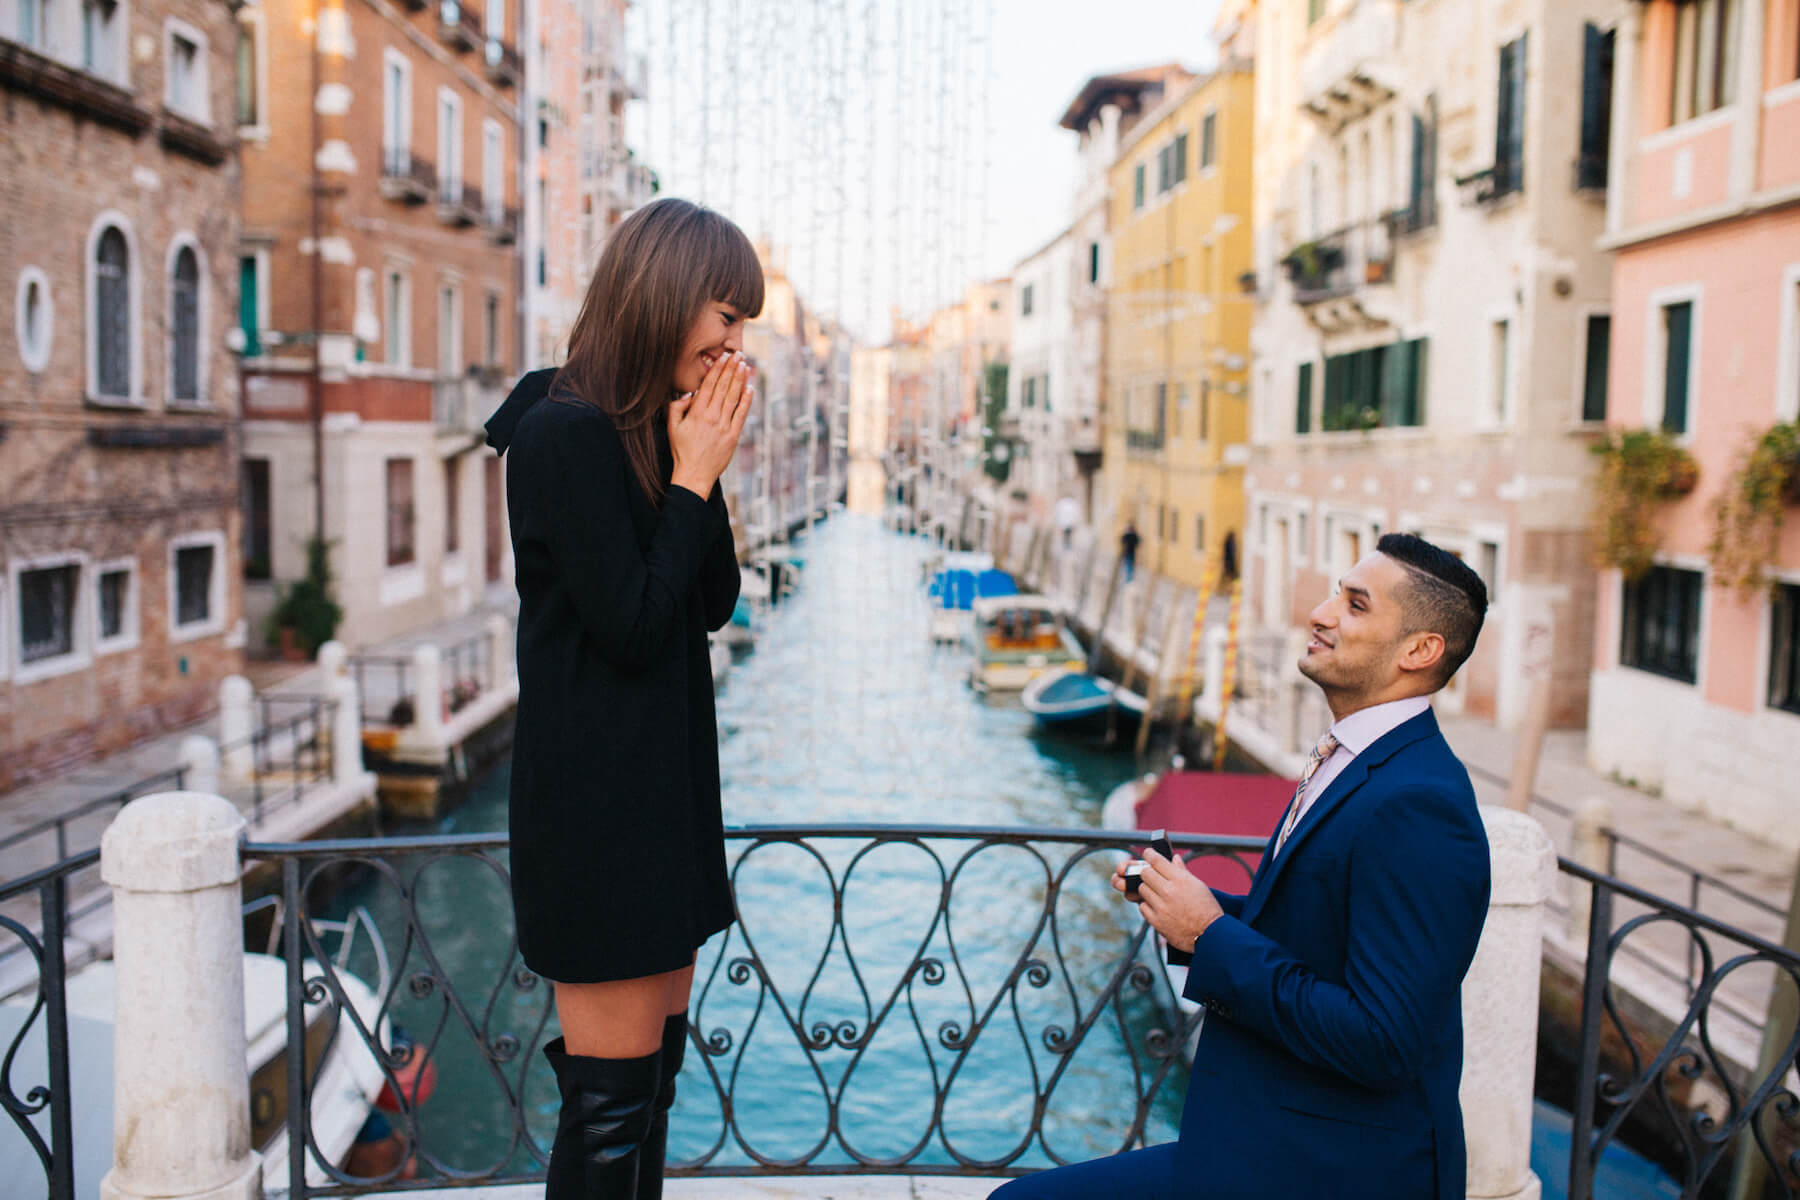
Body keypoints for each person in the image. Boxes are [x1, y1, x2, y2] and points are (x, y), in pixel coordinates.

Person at [993, 533, 1492, 1200]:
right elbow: (1317, 943)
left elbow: (1384, 1040)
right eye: (1333, 594)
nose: (1320, 613)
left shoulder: (1420, 804)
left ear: (1419, 650)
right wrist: (1192, 911)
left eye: (1355, 604)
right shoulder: (1359, 762)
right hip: (1265, 1139)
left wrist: (1210, 934)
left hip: (1333, 1169)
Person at [482, 197, 763, 1200]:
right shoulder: (561, 437)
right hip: (596, 821)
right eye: (726, 317)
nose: (737, 346)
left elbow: (715, 601)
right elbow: (635, 627)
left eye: (744, 326)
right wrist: (689, 479)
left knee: (648, 1102)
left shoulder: (650, 433)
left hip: (665, 812)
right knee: (606, 1117)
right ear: (666, 298)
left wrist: (703, 467)